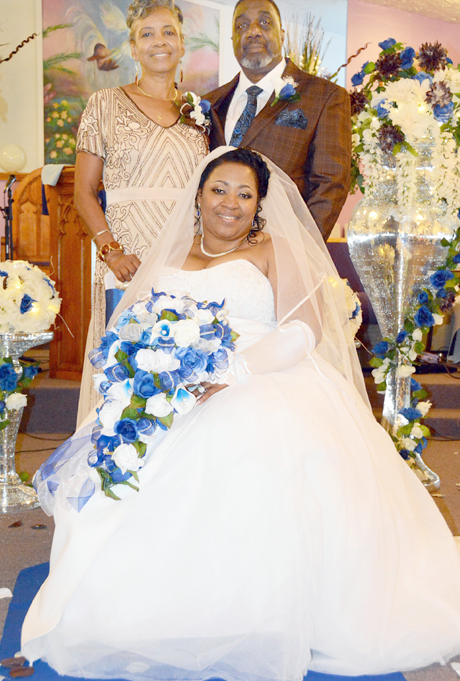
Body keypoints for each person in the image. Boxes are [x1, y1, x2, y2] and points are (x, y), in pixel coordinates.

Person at [22, 148, 460, 680]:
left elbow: (304, 329)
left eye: (245, 194)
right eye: (219, 190)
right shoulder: (169, 251)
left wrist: (232, 371)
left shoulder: (274, 250)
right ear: (198, 196)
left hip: (264, 374)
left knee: (244, 446)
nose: (230, 203)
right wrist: (145, 370)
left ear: (259, 206)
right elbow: (135, 324)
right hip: (171, 384)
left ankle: (256, 611)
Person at [75, 0, 209, 423]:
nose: (159, 41)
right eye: (147, 34)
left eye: (168, 31)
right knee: (127, 375)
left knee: (179, 369)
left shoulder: (198, 113)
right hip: (126, 259)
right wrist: (111, 250)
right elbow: (84, 192)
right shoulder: (103, 104)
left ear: (182, 44)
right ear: (133, 48)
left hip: (184, 259)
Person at [204, 0, 351, 241]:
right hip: (213, 245)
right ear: (232, 40)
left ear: (282, 35)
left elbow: (330, 184)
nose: (253, 31)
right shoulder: (210, 103)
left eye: (264, 22)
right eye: (242, 25)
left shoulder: (325, 96)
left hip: (282, 247)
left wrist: (300, 251)